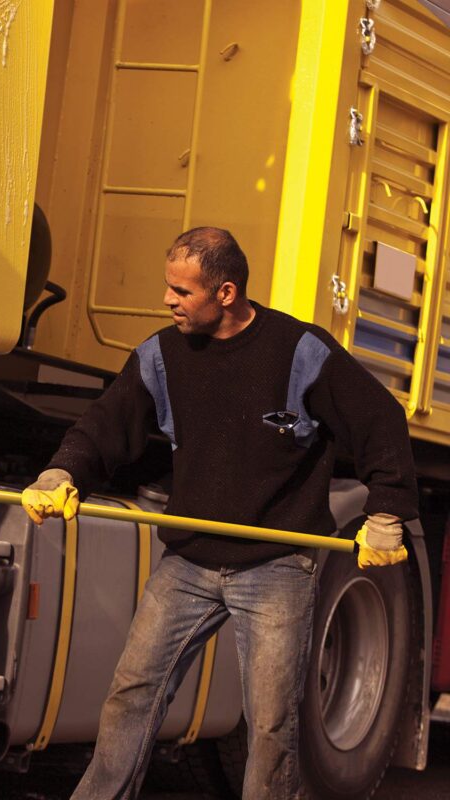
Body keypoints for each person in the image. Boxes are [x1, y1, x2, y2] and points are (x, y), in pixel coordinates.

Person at [21, 227, 418, 799]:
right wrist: (61, 472)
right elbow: (106, 424)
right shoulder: (161, 355)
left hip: (278, 566)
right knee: (132, 694)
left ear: (226, 293)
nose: (168, 300)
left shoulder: (301, 353)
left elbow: (380, 419)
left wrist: (386, 513)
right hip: (189, 563)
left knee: (272, 726)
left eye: (181, 291)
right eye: (168, 287)